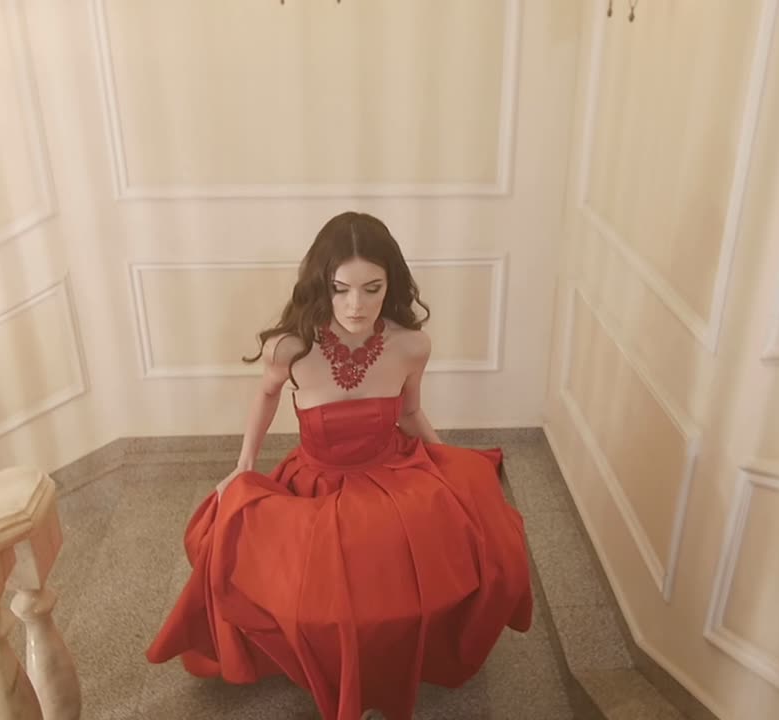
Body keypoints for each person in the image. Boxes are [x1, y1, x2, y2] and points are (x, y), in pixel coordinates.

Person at [146, 211, 533, 720]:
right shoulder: (290, 348)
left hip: (391, 471)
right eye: (340, 288)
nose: (356, 305)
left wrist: (447, 461)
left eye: (372, 289)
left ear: (391, 283)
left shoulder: (412, 345)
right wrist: (243, 466)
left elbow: (410, 412)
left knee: (449, 559)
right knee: (310, 591)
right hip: (318, 483)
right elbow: (265, 397)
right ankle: (338, 668)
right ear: (321, 286)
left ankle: (393, 662)